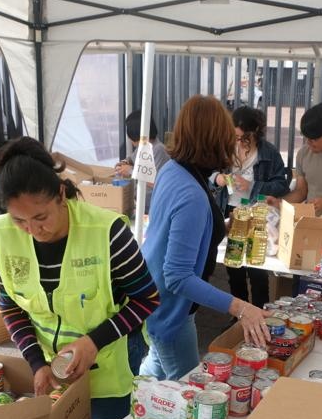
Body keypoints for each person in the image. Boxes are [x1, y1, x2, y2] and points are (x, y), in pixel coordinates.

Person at [0, 137, 160, 419]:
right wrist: (36, 362)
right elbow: (10, 305)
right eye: (20, 220)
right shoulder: (2, 235)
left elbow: (147, 300)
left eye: (40, 217)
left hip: (109, 372)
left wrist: (93, 342)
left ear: (60, 194)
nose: (32, 230)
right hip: (53, 373)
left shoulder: (107, 232)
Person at [141, 95, 271, 381]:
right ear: (216, 139)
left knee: (155, 370)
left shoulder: (173, 171)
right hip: (172, 311)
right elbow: (177, 276)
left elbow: (186, 232)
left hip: (156, 299)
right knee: (186, 388)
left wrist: (226, 222)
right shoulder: (190, 192)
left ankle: (137, 400)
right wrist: (240, 307)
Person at [213, 106, 290, 308]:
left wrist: (252, 186)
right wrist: (219, 178)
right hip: (230, 211)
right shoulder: (225, 147)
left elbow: (281, 185)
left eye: (242, 138)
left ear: (254, 132)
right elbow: (208, 174)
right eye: (235, 137)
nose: (238, 142)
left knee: (258, 269)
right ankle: (239, 316)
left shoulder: (268, 152)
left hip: (257, 214)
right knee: (234, 268)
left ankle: (259, 313)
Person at [113, 109, 171, 179]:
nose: (129, 138)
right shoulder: (144, 145)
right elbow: (132, 158)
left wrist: (131, 171)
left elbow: (156, 181)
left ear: (136, 133)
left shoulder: (159, 150)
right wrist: (124, 162)